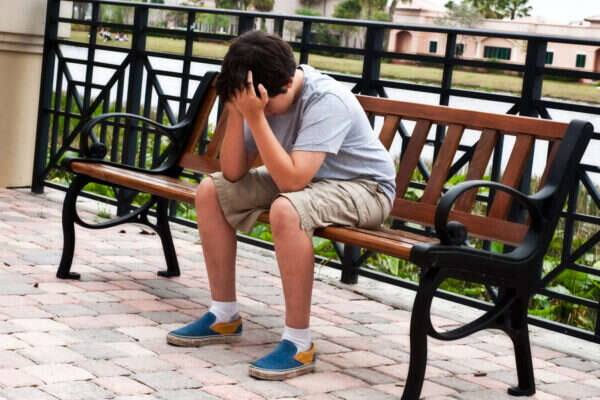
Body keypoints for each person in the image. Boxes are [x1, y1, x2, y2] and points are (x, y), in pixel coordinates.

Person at [166, 30, 396, 380]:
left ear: (287, 84)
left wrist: (257, 117)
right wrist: (238, 112)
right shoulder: (259, 96)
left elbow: (292, 182)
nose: (265, 113)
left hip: (365, 188)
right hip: (309, 181)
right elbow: (233, 172)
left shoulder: (326, 100)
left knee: (287, 208)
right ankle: (224, 316)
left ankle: (299, 343)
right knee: (211, 191)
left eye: (267, 108)